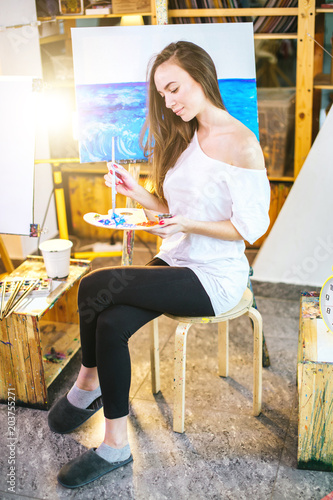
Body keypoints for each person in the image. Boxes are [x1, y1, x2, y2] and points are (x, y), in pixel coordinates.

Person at [48, 41, 270, 489]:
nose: (169, 102)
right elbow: (174, 207)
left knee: (93, 286)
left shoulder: (242, 144)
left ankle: (86, 387)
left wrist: (186, 222)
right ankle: (116, 447)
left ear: (201, 76)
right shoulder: (189, 136)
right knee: (109, 325)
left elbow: (249, 230)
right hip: (176, 258)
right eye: (163, 95)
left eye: (174, 89)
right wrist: (138, 193)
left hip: (213, 277)